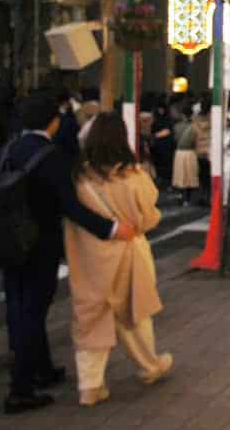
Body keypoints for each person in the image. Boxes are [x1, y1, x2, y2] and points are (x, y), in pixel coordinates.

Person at [0, 90, 137, 414]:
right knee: (33, 312)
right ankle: (21, 387)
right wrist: (111, 229)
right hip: (39, 243)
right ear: (54, 120)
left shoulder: (9, 149)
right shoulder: (51, 156)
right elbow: (71, 206)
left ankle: (41, 368)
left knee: (18, 307)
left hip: (8, 240)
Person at [64, 113, 172, 407]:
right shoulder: (134, 176)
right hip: (129, 254)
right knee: (135, 313)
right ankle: (150, 365)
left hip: (90, 257)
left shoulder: (79, 177)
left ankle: (90, 385)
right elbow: (149, 218)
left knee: (90, 317)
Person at [171, 105, 203, 205]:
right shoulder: (195, 126)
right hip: (190, 153)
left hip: (179, 153)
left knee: (180, 176)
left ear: (182, 115)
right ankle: (187, 199)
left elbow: (175, 139)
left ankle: (182, 196)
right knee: (190, 177)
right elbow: (198, 141)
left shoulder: (176, 126)